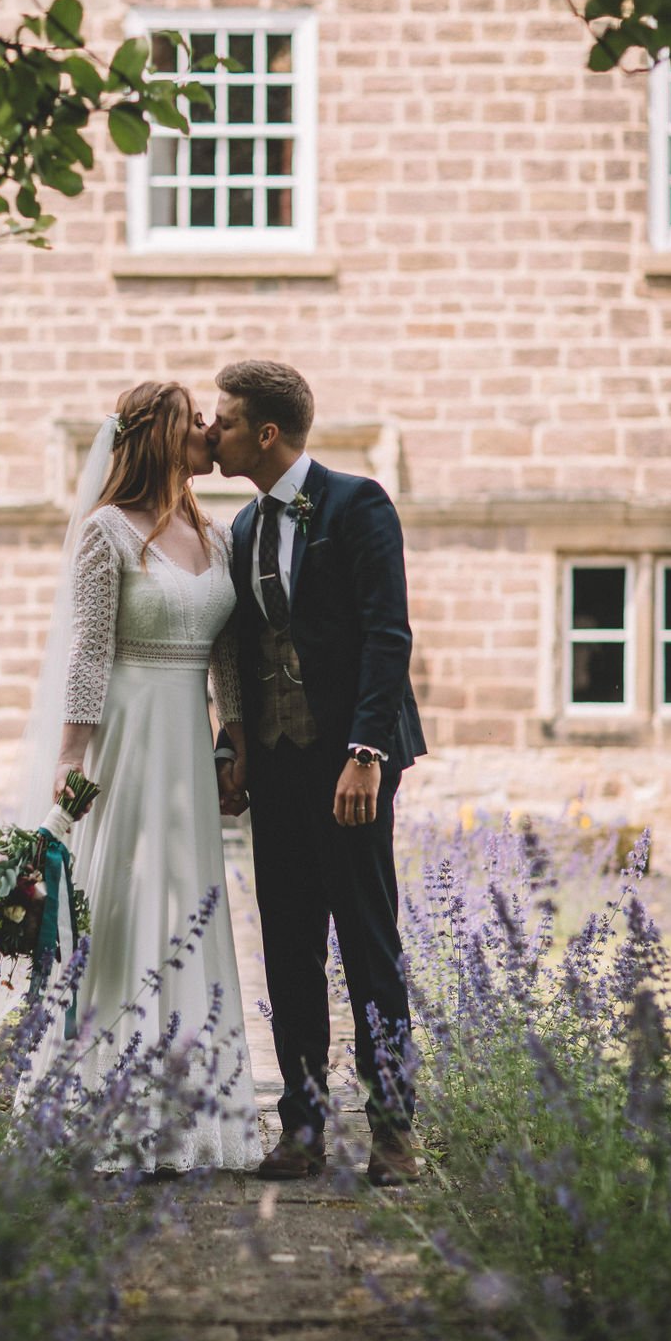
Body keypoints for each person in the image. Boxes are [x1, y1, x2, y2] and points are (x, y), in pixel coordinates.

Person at [15, 381, 263, 1173]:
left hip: (188, 739)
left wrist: (236, 740)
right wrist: (71, 756)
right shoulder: (107, 532)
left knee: (187, 903)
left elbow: (226, 656)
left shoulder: (216, 535)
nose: (208, 432)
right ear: (159, 436)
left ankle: (186, 1109)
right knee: (122, 905)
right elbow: (88, 651)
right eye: (194, 422)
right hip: (126, 736)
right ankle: (104, 1105)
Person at [207, 360, 427, 1186]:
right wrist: (233, 750)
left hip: (352, 765)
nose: (213, 433)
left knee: (368, 942)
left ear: (266, 433)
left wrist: (366, 753)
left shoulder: (357, 504)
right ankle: (301, 1127)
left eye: (226, 421)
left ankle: (393, 1130)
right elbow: (241, 652)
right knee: (289, 946)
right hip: (277, 767)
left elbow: (388, 635)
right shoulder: (240, 528)